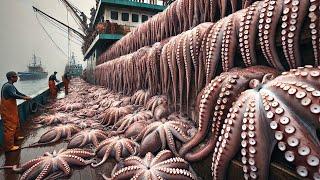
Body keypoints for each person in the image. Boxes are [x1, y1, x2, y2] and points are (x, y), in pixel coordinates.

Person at [0, 71, 31, 151]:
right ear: (11, 78)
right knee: (10, 127)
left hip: (12, 109)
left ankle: (16, 137)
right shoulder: (8, 86)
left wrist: (25, 96)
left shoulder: (11, 85)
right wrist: (24, 98)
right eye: (16, 77)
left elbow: (17, 92)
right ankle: (9, 147)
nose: (17, 78)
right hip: (7, 110)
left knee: (16, 123)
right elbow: (14, 95)